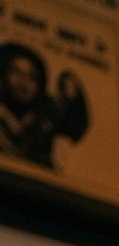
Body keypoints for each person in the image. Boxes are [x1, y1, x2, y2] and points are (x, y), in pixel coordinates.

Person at [0, 42, 88, 170]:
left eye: (32, 77)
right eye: (15, 72)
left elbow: (76, 127)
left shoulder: (47, 117)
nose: (23, 82)